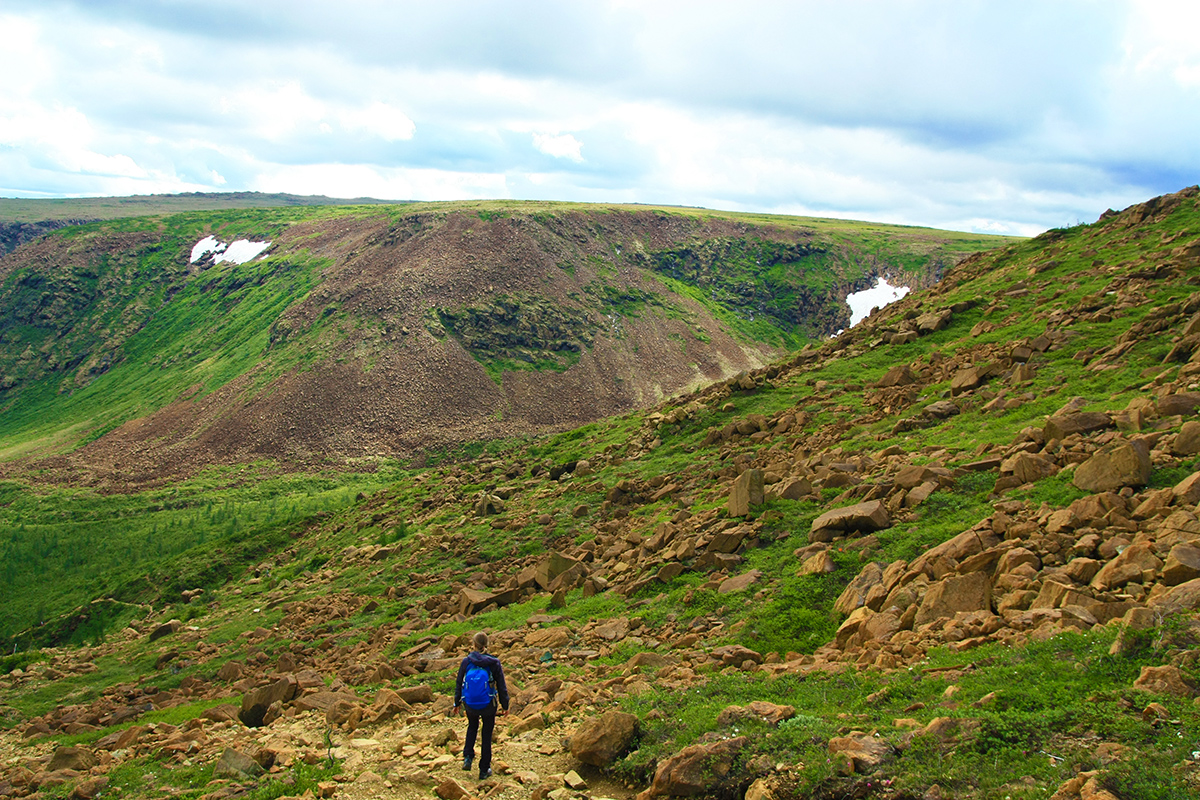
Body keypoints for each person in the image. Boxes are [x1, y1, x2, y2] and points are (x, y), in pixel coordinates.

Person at [452, 630, 509, 780]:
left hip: (470, 703)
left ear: (473, 644)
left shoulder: (467, 661)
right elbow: (501, 686)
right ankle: (484, 769)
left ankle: (468, 757)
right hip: (488, 704)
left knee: (472, 726)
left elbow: (459, 682)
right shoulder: (494, 662)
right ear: (487, 644)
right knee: (487, 733)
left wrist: (457, 702)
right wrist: (505, 705)